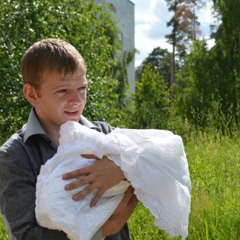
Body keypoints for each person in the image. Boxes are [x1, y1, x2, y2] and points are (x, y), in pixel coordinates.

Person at [0, 38, 138, 240]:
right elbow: (26, 234)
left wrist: (121, 166)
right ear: (32, 94)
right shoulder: (14, 156)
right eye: (62, 91)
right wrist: (102, 230)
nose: (76, 100)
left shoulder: (105, 134)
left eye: (82, 88)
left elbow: (160, 160)